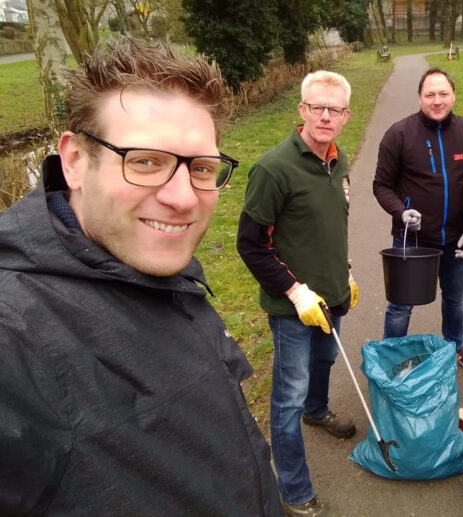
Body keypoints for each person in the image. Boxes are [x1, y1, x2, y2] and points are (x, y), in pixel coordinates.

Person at [0, 37, 281, 516]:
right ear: (73, 161)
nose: (184, 198)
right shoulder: (15, 336)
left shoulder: (149, 272)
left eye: (202, 168)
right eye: (145, 161)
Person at [236, 70, 357, 517]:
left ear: (345, 116)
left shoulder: (338, 160)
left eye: (335, 110)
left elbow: (328, 223)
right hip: (294, 306)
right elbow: (249, 244)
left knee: (323, 362)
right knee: (286, 396)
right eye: (317, 107)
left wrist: (343, 272)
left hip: (333, 294)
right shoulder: (273, 168)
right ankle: (292, 488)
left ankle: (318, 410)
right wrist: (295, 291)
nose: (326, 116)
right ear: (302, 110)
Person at [373, 67, 463, 371]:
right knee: (400, 305)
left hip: (455, 239)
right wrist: (400, 210)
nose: (437, 100)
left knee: (455, 298)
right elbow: (381, 185)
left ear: (453, 95)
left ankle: (454, 344)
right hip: (412, 239)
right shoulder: (399, 134)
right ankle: (390, 355)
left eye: (443, 94)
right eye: (430, 94)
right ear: (420, 97)